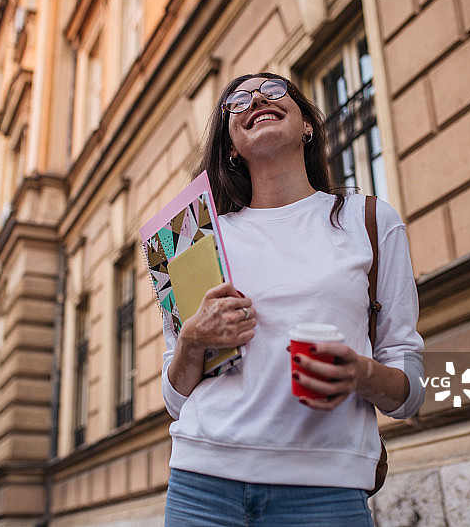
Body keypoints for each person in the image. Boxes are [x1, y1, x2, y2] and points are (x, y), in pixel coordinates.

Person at [161, 72, 424, 526]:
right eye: (238, 100)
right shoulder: (192, 239)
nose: (257, 99)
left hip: (325, 491)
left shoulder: (369, 220)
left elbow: (409, 393)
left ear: (307, 125)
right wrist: (191, 341)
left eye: (274, 90)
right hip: (201, 485)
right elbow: (175, 399)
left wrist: (359, 373)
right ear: (230, 145)